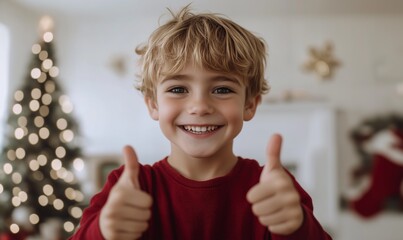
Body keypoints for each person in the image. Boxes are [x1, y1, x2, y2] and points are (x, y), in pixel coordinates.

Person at [69, 5, 332, 240]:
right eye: (178, 89)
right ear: (153, 104)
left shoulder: (273, 187)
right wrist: (103, 231)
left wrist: (296, 227)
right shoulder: (129, 186)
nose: (199, 107)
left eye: (221, 90)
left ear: (250, 104)